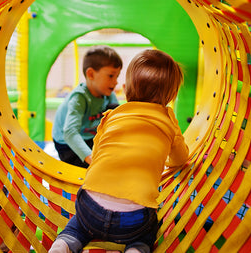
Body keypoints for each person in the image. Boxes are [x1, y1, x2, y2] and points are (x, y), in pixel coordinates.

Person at [48, 49, 189, 253]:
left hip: (91, 208)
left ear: (126, 88)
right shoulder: (169, 121)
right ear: (172, 96)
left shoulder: (112, 115)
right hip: (134, 218)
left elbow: (98, 153)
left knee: (78, 224)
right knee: (149, 230)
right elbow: (180, 159)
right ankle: (137, 248)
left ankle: (65, 244)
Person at [52, 45, 123, 168]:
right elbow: (70, 133)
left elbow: (118, 123)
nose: (116, 81)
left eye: (117, 76)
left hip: (89, 137)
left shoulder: (109, 95)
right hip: (67, 144)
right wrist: (92, 158)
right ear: (90, 74)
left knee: (114, 113)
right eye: (111, 76)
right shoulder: (80, 97)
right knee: (93, 169)